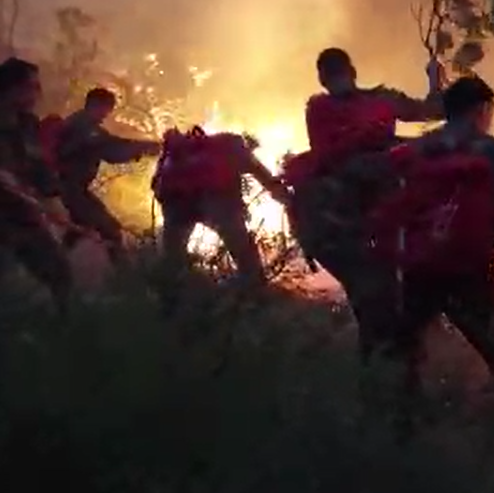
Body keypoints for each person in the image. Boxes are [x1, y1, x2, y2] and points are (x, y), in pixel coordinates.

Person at [363, 75, 494, 437]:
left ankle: (394, 430)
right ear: (482, 109)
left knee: (406, 352)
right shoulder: (492, 152)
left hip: (418, 267)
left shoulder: (417, 150)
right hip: (470, 271)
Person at [283, 48, 447, 369]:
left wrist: (434, 79)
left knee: (378, 299)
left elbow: (432, 111)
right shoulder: (338, 106)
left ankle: (387, 368)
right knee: (377, 299)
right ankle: (387, 369)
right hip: (359, 216)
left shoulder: (355, 103)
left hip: (359, 214)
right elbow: (432, 112)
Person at [151, 125, 289, 314]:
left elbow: (157, 186)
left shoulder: (179, 154)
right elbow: (261, 174)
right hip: (213, 200)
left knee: (172, 258)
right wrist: (284, 196)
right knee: (244, 253)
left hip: (176, 202)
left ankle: (168, 305)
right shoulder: (233, 147)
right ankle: (258, 299)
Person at [0, 57, 75, 312]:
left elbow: (38, 166)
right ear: (11, 88)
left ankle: (67, 327)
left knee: (59, 272)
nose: (37, 93)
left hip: (20, 211)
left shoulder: (27, 124)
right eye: (32, 86)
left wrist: (53, 199)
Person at [55, 87, 161, 264]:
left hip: (71, 189)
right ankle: (124, 275)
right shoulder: (84, 128)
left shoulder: (83, 125)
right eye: (107, 108)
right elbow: (112, 150)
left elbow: (112, 144)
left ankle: (57, 263)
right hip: (71, 189)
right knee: (111, 230)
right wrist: (144, 148)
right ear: (96, 104)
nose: (107, 115)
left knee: (78, 229)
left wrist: (143, 147)